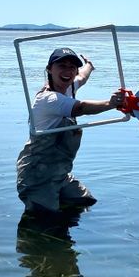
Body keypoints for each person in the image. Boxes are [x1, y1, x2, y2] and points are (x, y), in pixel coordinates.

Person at [16, 47, 125, 215]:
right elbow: (81, 108)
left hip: (59, 173)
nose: (68, 71)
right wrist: (110, 104)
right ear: (49, 69)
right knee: (45, 223)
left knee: (86, 201)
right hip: (37, 176)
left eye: (72, 67)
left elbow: (82, 76)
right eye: (62, 66)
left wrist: (89, 65)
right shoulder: (48, 99)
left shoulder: (69, 86)